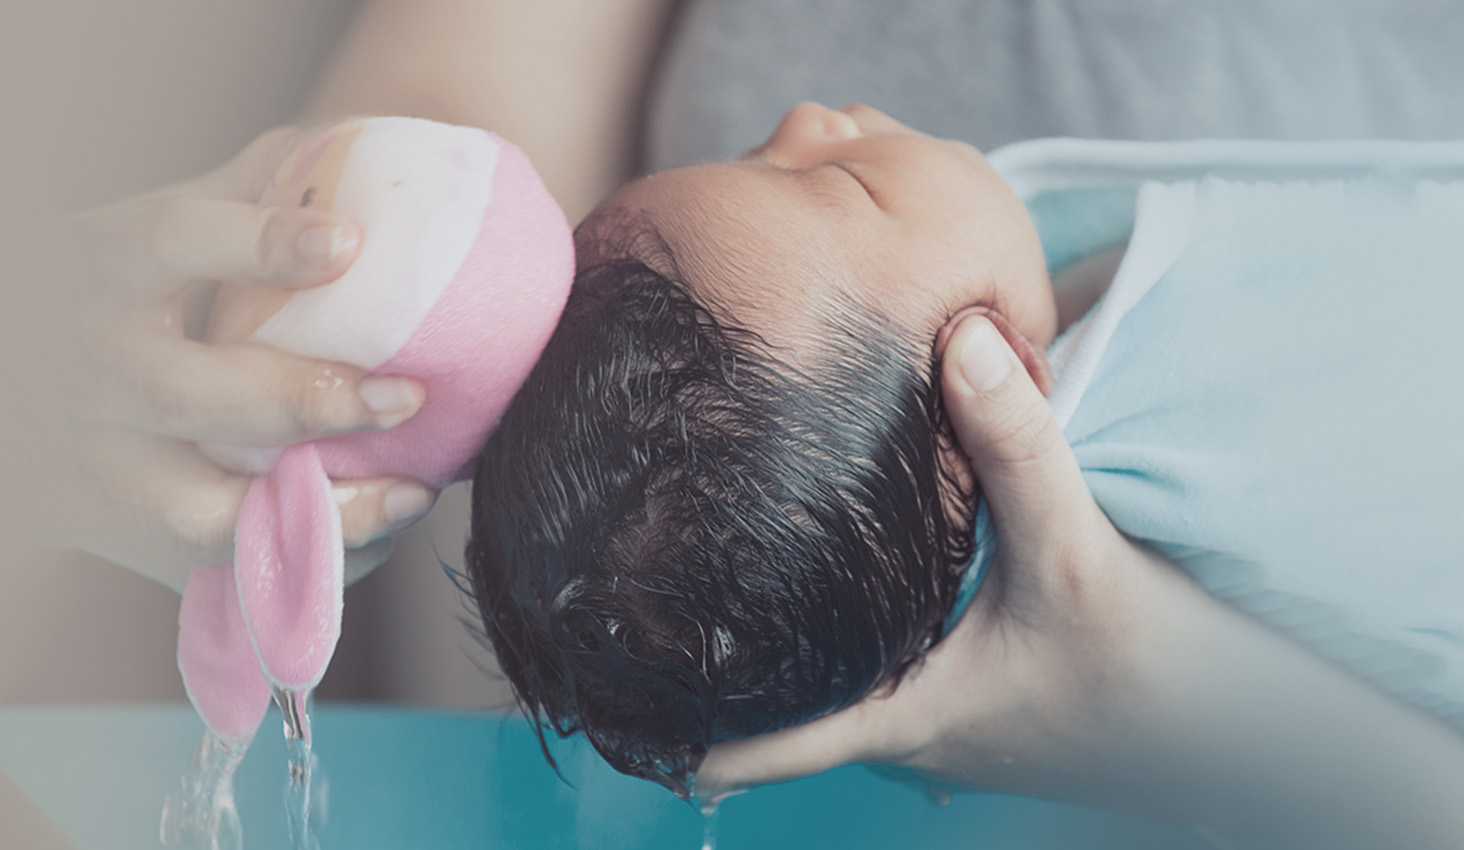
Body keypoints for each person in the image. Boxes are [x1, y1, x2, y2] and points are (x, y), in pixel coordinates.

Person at [467, 102, 1464, 846]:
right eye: (837, 182)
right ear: (998, 370)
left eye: (749, 160)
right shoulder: (1218, 398)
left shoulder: (988, 283)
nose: (805, 118)